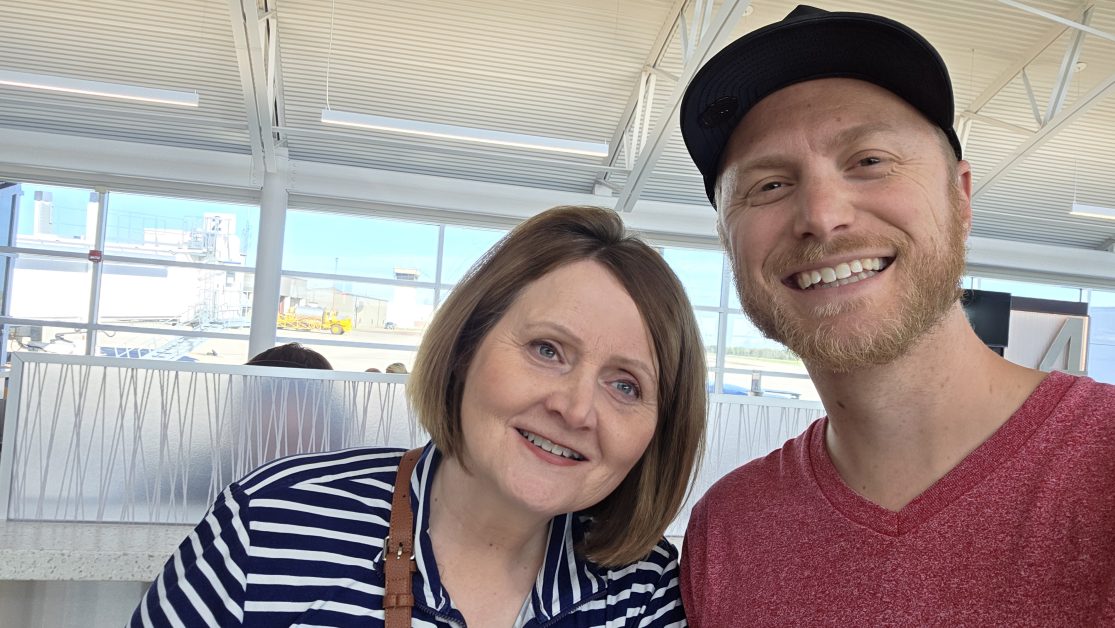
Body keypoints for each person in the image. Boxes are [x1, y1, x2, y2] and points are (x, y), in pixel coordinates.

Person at [677, 5, 1115, 626]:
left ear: (960, 196)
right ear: (728, 242)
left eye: (869, 160)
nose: (822, 215)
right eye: (769, 185)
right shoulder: (727, 534)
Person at [130, 205, 706, 627]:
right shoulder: (269, 526)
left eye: (626, 385)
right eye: (547, 349)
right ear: (464, 349)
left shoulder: (644, 590)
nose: (576, 408)